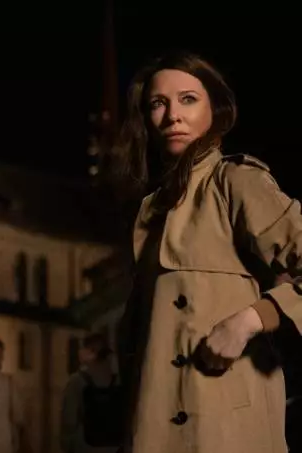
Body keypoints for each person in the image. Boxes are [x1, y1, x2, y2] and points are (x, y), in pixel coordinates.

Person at [109, 51, 302, 453]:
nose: (172, 116)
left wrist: (251, 320)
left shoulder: (236, 181)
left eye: (188, 99)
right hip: (153, 427)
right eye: (158, 103)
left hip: (227, 422)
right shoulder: (149, 210)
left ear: (215, 110)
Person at [60, 333, 122, 453]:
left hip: (85, 447)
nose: (79, 352)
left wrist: (67, 445)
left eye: (82, 348)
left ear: (91, 352)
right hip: (113, 448)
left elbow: (69, 420)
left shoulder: (77, 381)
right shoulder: (117, 380)